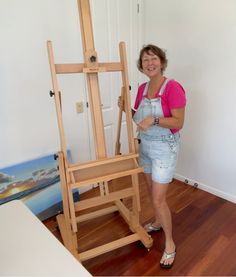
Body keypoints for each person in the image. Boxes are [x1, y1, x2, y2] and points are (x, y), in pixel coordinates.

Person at [118, 44, 186, 269]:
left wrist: (155, 120)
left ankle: (170, 244)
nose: (150, 63)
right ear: (141, 65)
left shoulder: (172, 87)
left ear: (162, 61)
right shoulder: (141, 88)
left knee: (158, 199)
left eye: (153, 58)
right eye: (145, 60)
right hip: (145, 146)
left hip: (164, 148)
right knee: (150, 192)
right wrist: (127, 108)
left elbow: (178, 122)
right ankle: (157, 221)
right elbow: (140, 119)